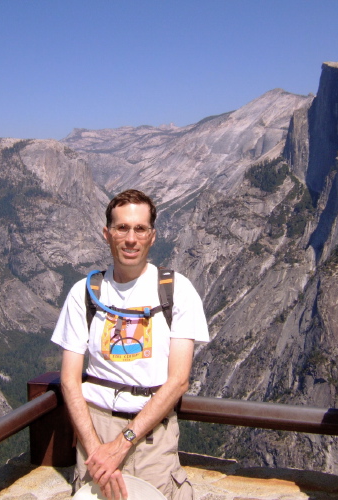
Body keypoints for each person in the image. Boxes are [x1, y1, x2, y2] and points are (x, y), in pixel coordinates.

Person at [51, 189, 210, 500]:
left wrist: (122, 443)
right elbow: (69, 381)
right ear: (107, 233)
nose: (130, 239)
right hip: (93, 429)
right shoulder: (83, 293)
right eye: (122, 228)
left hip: (151, 437)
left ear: (152, 236)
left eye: (140, 229)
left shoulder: (177, 291)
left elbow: (178, 381)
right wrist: (96, 449)